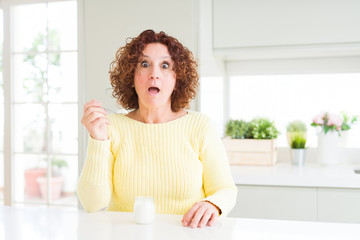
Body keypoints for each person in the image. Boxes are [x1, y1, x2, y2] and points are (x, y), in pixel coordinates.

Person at [78, 29, 237, 228]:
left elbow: (226, 189)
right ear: (131, 76)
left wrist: (213, 204)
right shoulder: (112, 127)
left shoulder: (200, 126)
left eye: (165, 65)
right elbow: (92, 203)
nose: (154, 74)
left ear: (177, 78)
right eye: (145, 64)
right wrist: (98, 140)